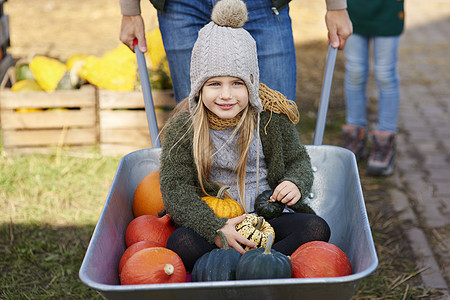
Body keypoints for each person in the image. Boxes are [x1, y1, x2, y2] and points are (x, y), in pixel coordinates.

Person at [158, 0, 331, 271]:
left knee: (316, 228)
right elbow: (175, 188)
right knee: (181, 243)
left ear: (251, 83)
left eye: (237, 83)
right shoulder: (185, 127)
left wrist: (294, 182)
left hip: (267, 219)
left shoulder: (271, 118)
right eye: (214, 83)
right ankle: (249, 266)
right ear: (198, 87)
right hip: (218, 222)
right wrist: (215, 227)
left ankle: (250, 266)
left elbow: (299, 160)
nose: (226, 95)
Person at [119, 0, 352, 103]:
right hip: (182, 5)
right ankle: (207, 199)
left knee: (276, 115)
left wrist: (336, 5)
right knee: (195, 116)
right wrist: (129, 10)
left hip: (261, 4)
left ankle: (271, 198)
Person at [341, 0, 404, 176]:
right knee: (354, 72)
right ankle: (354, 137)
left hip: (387, 10)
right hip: (352, 8)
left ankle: (385, 142)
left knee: (385, 74)